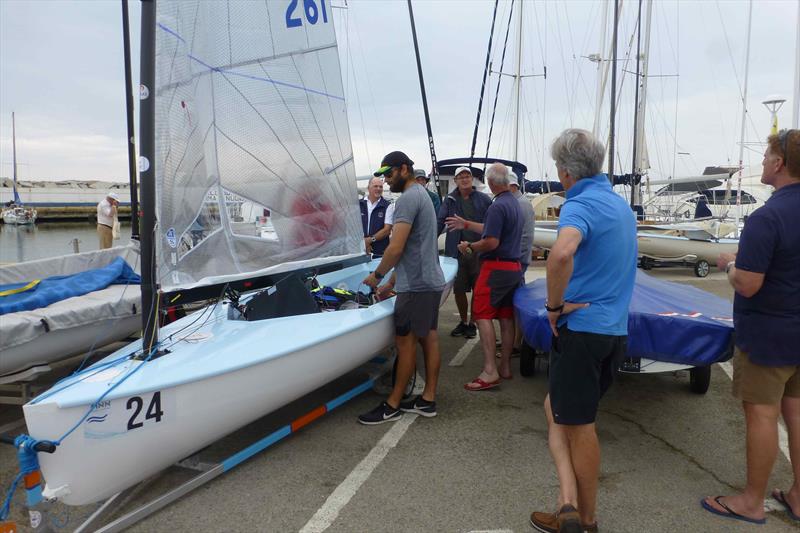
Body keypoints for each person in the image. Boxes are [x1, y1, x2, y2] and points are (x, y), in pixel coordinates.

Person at [529, 129, 636, 533]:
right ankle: (567, 503)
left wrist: (554, 307)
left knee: (579, 424)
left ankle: (585, 521)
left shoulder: (580, 205)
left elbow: (560, 253)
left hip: (583, 332)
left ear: (566, 173)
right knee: (555, 408)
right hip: (614, 332)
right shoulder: (618, 205)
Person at [702, 128, 800, 526]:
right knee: (796, 413)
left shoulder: (768, 216)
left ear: (778, 163)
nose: (761, 163)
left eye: (764, 157)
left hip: (769, 337)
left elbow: (749, 283)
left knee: (762, 415)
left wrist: (729, 265)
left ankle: (751, 501)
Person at [358, 151, 446, 425]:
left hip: (417, 287)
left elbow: (396, 247)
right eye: (382, 175)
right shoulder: (421, 195)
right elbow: (414, 248)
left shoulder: (408, 199)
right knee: (428, 339)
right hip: (428, 281)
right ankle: (427, 399)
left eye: (389, 173)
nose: (385, 180)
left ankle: (392, 404)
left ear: (404, 169)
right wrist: (391, 283)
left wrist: (376, 276)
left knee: (405, 343)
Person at [445, 162, 523, 390]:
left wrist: (470, 247)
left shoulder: (497, 206)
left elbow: (491, 241)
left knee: (482, 314)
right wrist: (467, 223)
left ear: (489, 182)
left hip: (495, 269)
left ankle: (490, 371)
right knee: (506, 318)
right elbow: (492, 228)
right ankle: (505, 366)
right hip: (513, 269)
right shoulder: (514, 203)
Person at [437, 166, 492, 339]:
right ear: (455, 181)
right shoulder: (450, 199)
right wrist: (430, 239)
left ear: (472, 179)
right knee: (458, 289)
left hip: (478, 251)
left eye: (467, 176)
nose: (464, 179)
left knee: (478, 289)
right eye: (460, 176)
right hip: (457, 252)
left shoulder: (484, 199)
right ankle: (463, 320)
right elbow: (440, 221)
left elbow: (492, 224)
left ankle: (472, 324)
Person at [359, 176, 394, 257]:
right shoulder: (359, 204)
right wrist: (363, 243)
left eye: (381, 187)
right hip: (360, 250)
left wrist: (369, 240)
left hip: (379, 252)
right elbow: (353, 227)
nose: (378, 189)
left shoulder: (388, 206)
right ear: (368, 188)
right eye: (375, 186)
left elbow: (387, 230)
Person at [509, 171, 535, 276]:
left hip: (518, 260)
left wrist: (518, 259)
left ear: (512, 186)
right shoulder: (517, 202)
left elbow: (526, 235)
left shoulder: (521, 204)